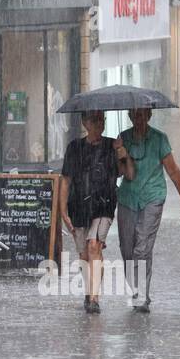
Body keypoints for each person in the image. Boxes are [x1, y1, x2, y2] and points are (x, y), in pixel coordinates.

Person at [116, 107, 180, 312]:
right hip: (127, 199)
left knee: (142, 247)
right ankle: (135, 290)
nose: (139, 119)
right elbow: (120, 172)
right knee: (127, 249)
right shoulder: (123, 138)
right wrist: (121, 154)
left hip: (152, 196)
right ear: (130, 117)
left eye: (143, 115)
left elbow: (173, 170)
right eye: (135, 115)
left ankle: (141, 295)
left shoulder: (159, 139)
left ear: (149, 116)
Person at [59, 110, 134, 313]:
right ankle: (89, 290)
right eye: (94, 119)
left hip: (104, 204)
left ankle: (94, 298)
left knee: (94, 247)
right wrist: (62, 209)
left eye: (102, 119)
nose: (99, 123)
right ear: (84, 122)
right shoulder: (75, 148)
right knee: (84, 254)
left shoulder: (112, 145)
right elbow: (65, 180)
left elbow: (127, 174)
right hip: (79, 207)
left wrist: (122, 154)